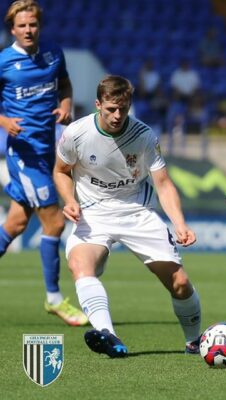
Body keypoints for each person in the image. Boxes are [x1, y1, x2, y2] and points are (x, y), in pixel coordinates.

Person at [53, 75, 201, 358]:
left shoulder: (144, 135)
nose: (118, 115)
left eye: (123, 108)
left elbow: (164, 183)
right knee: (79, 266)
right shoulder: (76, 133)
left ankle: (194, 341)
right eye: (111, 109)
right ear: (98, 105)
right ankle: (109, 335)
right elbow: (61, 170)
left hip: (138, 213)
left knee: (180, 284)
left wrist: (180, 224)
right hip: (94, 214)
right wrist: (69, 200)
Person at [0, 0, 87, 326]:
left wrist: (65, 105)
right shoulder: (4, 61)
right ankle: (54, 299)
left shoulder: (53, 54)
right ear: (13, 29)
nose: (28, 30)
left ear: (39, 26)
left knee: (15, 224)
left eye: (32, 25)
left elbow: (64, 84)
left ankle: (53, 298)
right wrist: (4, 121)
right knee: (54, 224)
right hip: (23, 156)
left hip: (47, 150)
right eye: (22, 26)